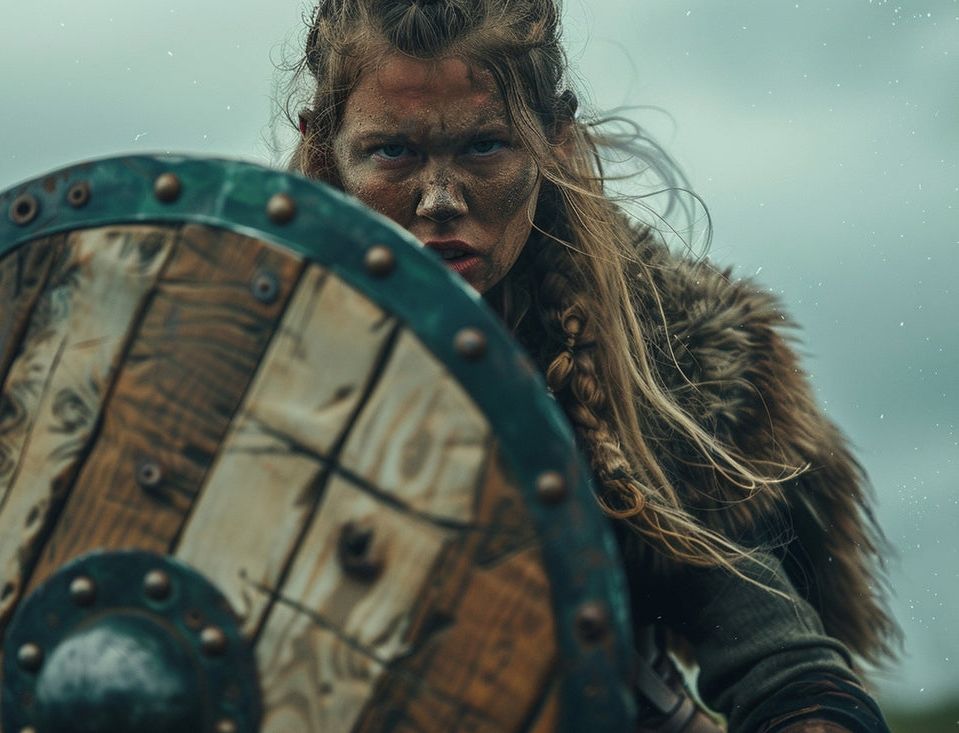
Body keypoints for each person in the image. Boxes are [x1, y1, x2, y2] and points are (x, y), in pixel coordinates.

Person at [284, 0, 899, 730]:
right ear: (326, 157)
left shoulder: (656, 371)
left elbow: (787, 673)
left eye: (485, 147)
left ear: (555, 142)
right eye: (393, 152)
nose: (441, 200)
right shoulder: (243, 356)